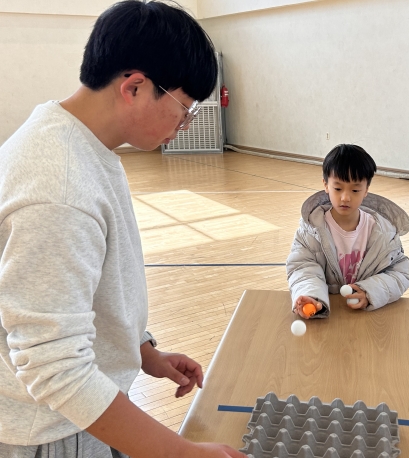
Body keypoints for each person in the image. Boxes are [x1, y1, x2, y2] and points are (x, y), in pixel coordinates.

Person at [0, 2, 245, 457]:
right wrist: (184, 454)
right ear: (134, 87)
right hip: (55, 428)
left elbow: (87, 292)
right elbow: (55, 369)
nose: (184, 125)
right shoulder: (59, 186)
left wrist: (141, 351)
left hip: (82, 408)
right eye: (184, 109)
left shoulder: (82, 144)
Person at [287, 144, 409, 319]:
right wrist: (311, 296)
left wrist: (370, 293)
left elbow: (399, 273)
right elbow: (303, 268)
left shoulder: (384, 233)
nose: (345, 197)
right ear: (326, 185)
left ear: (366, 190)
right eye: (338, 188)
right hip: (328, 316)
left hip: (368, 317)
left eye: (355, 190)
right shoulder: (310, 231)